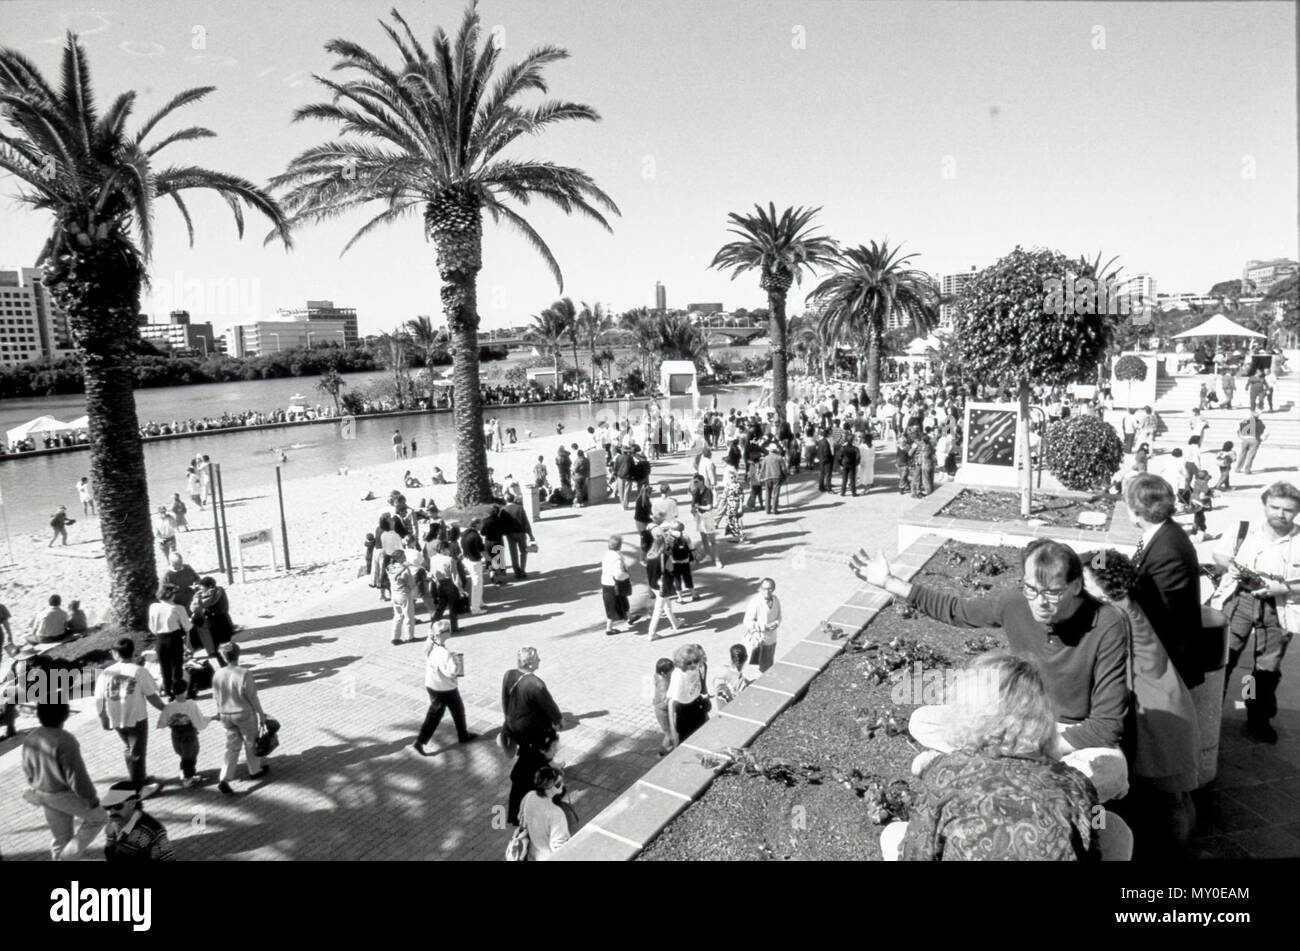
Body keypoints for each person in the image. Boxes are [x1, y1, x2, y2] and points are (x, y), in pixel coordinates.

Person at [854, 540, 1131, 803]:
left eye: (1053, 592)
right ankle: (1034, 784)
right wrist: (889, 582)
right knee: (923, 721)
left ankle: (978, 769)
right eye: (1031, 589)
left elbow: (1107, 725)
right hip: (1017, 724)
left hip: (1068, 734)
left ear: (1076, 585)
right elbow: (956, 610)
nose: (1040, 602)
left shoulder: (1108, 623)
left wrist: (1041, 749)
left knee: (1113, 771)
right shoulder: (1014, 603)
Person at [882, 653, 1103, 862]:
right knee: (1115, 827)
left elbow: (915, 852)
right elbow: (1093, 844)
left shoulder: (945, 773)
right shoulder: (1077, 783)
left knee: (892, 834)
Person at [1082, 550, 1199, 857]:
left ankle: (1177, 856)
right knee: (1178, 795)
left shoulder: (1114, 615)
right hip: (1168, 705)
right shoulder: (1123, 605)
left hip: (1159, 716)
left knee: (1172, 799)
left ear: (1104, 586)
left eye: (1084, 580)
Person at [1211, 481, 1300, 743]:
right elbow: (1220, 555)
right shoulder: (1242, 530)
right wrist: (1231, 566)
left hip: (1278, 608)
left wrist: (1281, 588)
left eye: (1288, 510)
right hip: (1239, 601)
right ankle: (1211, 714)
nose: (1280, 514)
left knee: (1264, 669)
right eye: (1275, 507)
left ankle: (1257, 718)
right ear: (1264, 505)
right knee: (1224, 661)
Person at [1125, 475, 1204, 690]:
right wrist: (1096, 561)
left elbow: (1150, 608)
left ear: (1135, 511)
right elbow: (1130, 567)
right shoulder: (1162, 532)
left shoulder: (1167, 550)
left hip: (1166, 661)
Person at [22, 702, 107, 861]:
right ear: (65, 715)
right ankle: (65, 859)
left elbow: (27, 768)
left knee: (61, 837)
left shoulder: (31, 737)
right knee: (99, 818)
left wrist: (35, 785)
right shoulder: (65, 740)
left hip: (42, 792)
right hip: (62, 794)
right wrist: (91, 800)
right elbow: (76, 776)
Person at [94, 638, 166, 795]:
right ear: (133, 652)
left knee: (130, 748)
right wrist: (164, 709)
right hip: (137, 718)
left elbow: (99, 699)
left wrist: (103, 718)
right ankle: (139, 787)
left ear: (115, 654)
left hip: (116, 719)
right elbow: (151, 696)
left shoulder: (106, 673)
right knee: (137, 753)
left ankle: (138, 777)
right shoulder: (139, 671)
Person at [502, 648, 564, 825]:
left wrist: (507, 721)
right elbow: (550, 707)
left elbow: (505, 698)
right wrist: (558, 720)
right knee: (529, 767)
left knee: (530, 762)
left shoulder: (509, 675)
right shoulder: (535, 684)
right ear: (529, 663)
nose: (540, 660)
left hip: (516, 727)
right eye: (537, 658)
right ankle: (520, 814)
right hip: (533, 733)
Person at [211, 641, 268, 795]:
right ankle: (254, 770)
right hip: (243, 713)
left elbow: (216, 697)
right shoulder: (244, 673)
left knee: (232, 747)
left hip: (225, 714)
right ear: (238, 654)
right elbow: (252, 697)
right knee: (250, 742)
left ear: (223, 656)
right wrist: (261, 714)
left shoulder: (217, 674)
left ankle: (225, 777)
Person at [414, 620, 475, 753]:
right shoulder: (444, 653)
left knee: (441, 713)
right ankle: (421, 741)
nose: (451, 632)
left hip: (432, 684)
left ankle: (462, 735)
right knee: (453, 711)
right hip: (445, 688)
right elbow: (451, 673)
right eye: (448, 630)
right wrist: (456, 662)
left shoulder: (431, 645)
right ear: (442, 634)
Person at [156, 676, 210, 788]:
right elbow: (199, 720)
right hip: (189, 734)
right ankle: (188, 778)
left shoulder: (169, 707)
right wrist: (212, 718)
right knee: (191, 755)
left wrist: (174, 722)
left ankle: (184, 772)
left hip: (175, 734)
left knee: (183, 754)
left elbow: (162, 723)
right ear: (185, 691)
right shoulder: (190, 704)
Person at [100, 781, 175, 861]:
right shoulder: (119, 823)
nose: (112, 812)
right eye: (108, 807)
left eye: (118, 806)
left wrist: (111, 839)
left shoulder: (148, 832)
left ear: (132, 803)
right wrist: (110, 838)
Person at [519, 764, 572, 860]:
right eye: (558, 784)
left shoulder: (529, 796)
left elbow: (521, 819)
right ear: (547, 786)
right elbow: (559, 847)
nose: (562, 785)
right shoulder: (556, 813)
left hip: (531, 855)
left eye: (562, 782)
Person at [148, 586, 192, 699]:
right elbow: (187, 627)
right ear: (172, 595)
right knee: (176, 667)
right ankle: (178, 692)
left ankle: (168, 692)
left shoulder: (153, 607)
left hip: (160, 638)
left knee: (164, 667)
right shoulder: (178, 608)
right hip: (174, 638)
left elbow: (152, 628)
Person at [666, 643, 710, 745]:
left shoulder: (699, 666)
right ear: (684, 663)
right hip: (684, 711)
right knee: (687, 743)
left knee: (702, 738)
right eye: (691, 663)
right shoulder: (679, 675)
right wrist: (673, 730)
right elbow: (671, 703)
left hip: (697, 704)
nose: (695, 665)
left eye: (696, 661)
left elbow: (702, 685)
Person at [646, 528, 682, 641]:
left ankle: (675, 622)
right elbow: (671, 568)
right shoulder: (663, 557)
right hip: (662, 585)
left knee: (667, 604)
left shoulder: (650, 555)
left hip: (653, 583)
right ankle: (651, 633)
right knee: (658, 609)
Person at [190, 577, 234, 666]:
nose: (200, 590)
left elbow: (196, 607)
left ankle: (226, 667)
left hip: (217, 623)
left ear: (210, 587)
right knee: (223, 648)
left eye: (202, 588)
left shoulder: (216, 592)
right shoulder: (218, 590)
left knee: (220, 648)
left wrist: (197, 597)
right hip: (221, 621)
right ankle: (227, 666)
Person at [743, 578, 782, 672]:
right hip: (760, 640)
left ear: (774, 589)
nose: (767, 591)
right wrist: (764, 626)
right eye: (764, 588)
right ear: (760, 589)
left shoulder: (776, 599)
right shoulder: (755, 602)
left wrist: (777, 623)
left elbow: (779, 615)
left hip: (772, 638)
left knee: (769, 663)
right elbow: (747, 622)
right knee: (764, 667)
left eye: (770, 588)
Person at [424, 538, 462, 633]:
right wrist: (460, 589)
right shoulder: (450, 560)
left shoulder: (433, 559)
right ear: (443, 549)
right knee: (453, 607)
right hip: (450, 584)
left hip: (439, 584)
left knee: (441, 606)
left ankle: (433, 624)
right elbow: (455, 576)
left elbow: (432, 573)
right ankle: (454, 627)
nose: (449, 551)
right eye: (448, 549)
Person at [600, 535, 633, 635]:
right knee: (613, 605)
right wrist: (627, 575)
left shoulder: (607, 554)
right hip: (614, 584)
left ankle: (629, 617)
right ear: (620, 546)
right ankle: (609, 629)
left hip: (606, 582)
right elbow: (618, 574)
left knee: (622, 600)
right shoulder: (617, 558)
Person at [387, 548, 418, 645]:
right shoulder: (405, 569)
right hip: (404, 594)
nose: (405, 558)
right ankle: (410, 636)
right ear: (398, 558)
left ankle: (395, 637)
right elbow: (410, 583)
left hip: (394, 594)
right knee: (409, 616)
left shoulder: (390, 568)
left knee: (397, 616)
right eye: (403, 557)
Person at [501, 494, 536, 580]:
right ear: (513, 499)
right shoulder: (520, 508)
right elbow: (526, 522)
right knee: (524, 552)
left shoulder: (503, 510)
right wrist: (531, 535)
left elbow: (502, 524)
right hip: (521, 533)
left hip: (510, 534)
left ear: (505, 500)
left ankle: (516, 572)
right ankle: (523, 570)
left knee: (513, 553)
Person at [160, 551, 200, 619]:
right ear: (171, 563)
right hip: (177, 604)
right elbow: (162, 594)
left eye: (181, 562)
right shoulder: (167, 575)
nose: (181, 565)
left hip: (190, 600)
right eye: (177, 564)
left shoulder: (187, 568)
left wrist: (196, 584)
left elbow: (197, 578)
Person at [460, 519, 487, 614]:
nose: (482, 525)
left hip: (467, 560)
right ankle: (475, 608)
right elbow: (482, 551)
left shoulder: (464, 534)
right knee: (477, 584)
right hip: (474, 561)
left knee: (478, 582)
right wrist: (490, 560)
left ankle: (480, 602)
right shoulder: (476, 536)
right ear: (477, 524)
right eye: (481, 523)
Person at [652, 658, 675, 754]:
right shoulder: (663, 684)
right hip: (663, 712)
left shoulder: (657, 676)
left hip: (661, 709)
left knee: (670, 732)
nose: (672, 674)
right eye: (670, 673)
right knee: (669, 734)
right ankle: (661, 752)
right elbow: (665, 700)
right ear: (663, 673)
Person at [760, 442, 789, 513]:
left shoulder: (765, 458)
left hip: (767, 477)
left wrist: (761, 476)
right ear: (776, 450)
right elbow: (784, 469)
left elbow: (762, 469)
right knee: (775, 493)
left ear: (769, 450)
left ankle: (767, 509)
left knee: (768, 493)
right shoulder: (779, 458)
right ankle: (774, 509)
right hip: (777, 477)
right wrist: (786, 476)